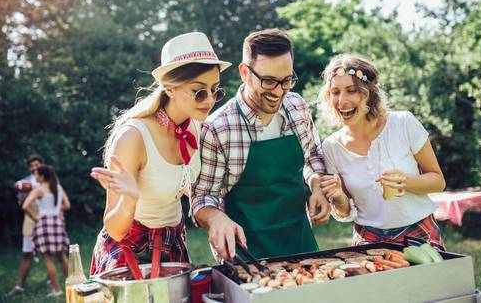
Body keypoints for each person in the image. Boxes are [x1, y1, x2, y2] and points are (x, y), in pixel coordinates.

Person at [89, 32, 231, 275]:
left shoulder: (196, 126)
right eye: (199, 91)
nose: (209, 100)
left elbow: (187, 185)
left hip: (172, 241)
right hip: (130, 249)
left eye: (215, 90)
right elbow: (114, 230)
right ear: (170, 88)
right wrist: (130, 198)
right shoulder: (133, 138)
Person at [191, 29, 331, 261]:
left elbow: (313, 155)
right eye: (268, 81)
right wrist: (216, 219)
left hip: (301, 243)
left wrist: (316, 185)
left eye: (286, 80)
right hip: (246, 254)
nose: (278, 91)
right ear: (245, 72)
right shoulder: (218, 128)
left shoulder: (297, 107)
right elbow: (203, 197)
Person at [319, 54, 446, 250]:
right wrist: (338, 196)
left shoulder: (403, 123)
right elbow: (345, 211)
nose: (341, 101)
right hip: (367, 238)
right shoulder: (331, 146)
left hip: (419, 232)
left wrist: (406, 181)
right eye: (335, 92)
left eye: (351, 91)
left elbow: (438, 181)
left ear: (369, 93)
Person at [22, 164, 71, 297]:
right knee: (62, 257)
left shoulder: (39, 190)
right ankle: (72, 285)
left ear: (42, 176)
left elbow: (25, 205)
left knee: (48, 258)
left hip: (44, 224)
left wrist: (35, 216)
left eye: (36, 174)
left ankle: (57, 290)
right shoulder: (59, 188)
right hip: (57, 223)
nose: (35, 176)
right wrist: (57, 211)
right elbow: (67, 205)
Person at [7, 154, 43, 296]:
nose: (35, 167)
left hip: (47, 221)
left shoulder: (49, 181)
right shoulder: (25, 183)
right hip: (31, 221)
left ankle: (54, 285)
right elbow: (23, 204)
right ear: (29, 168)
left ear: (42, 165)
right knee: (27, 253)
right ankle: (19, 286)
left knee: (52, 254)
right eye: (32, 165)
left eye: (37, 164)